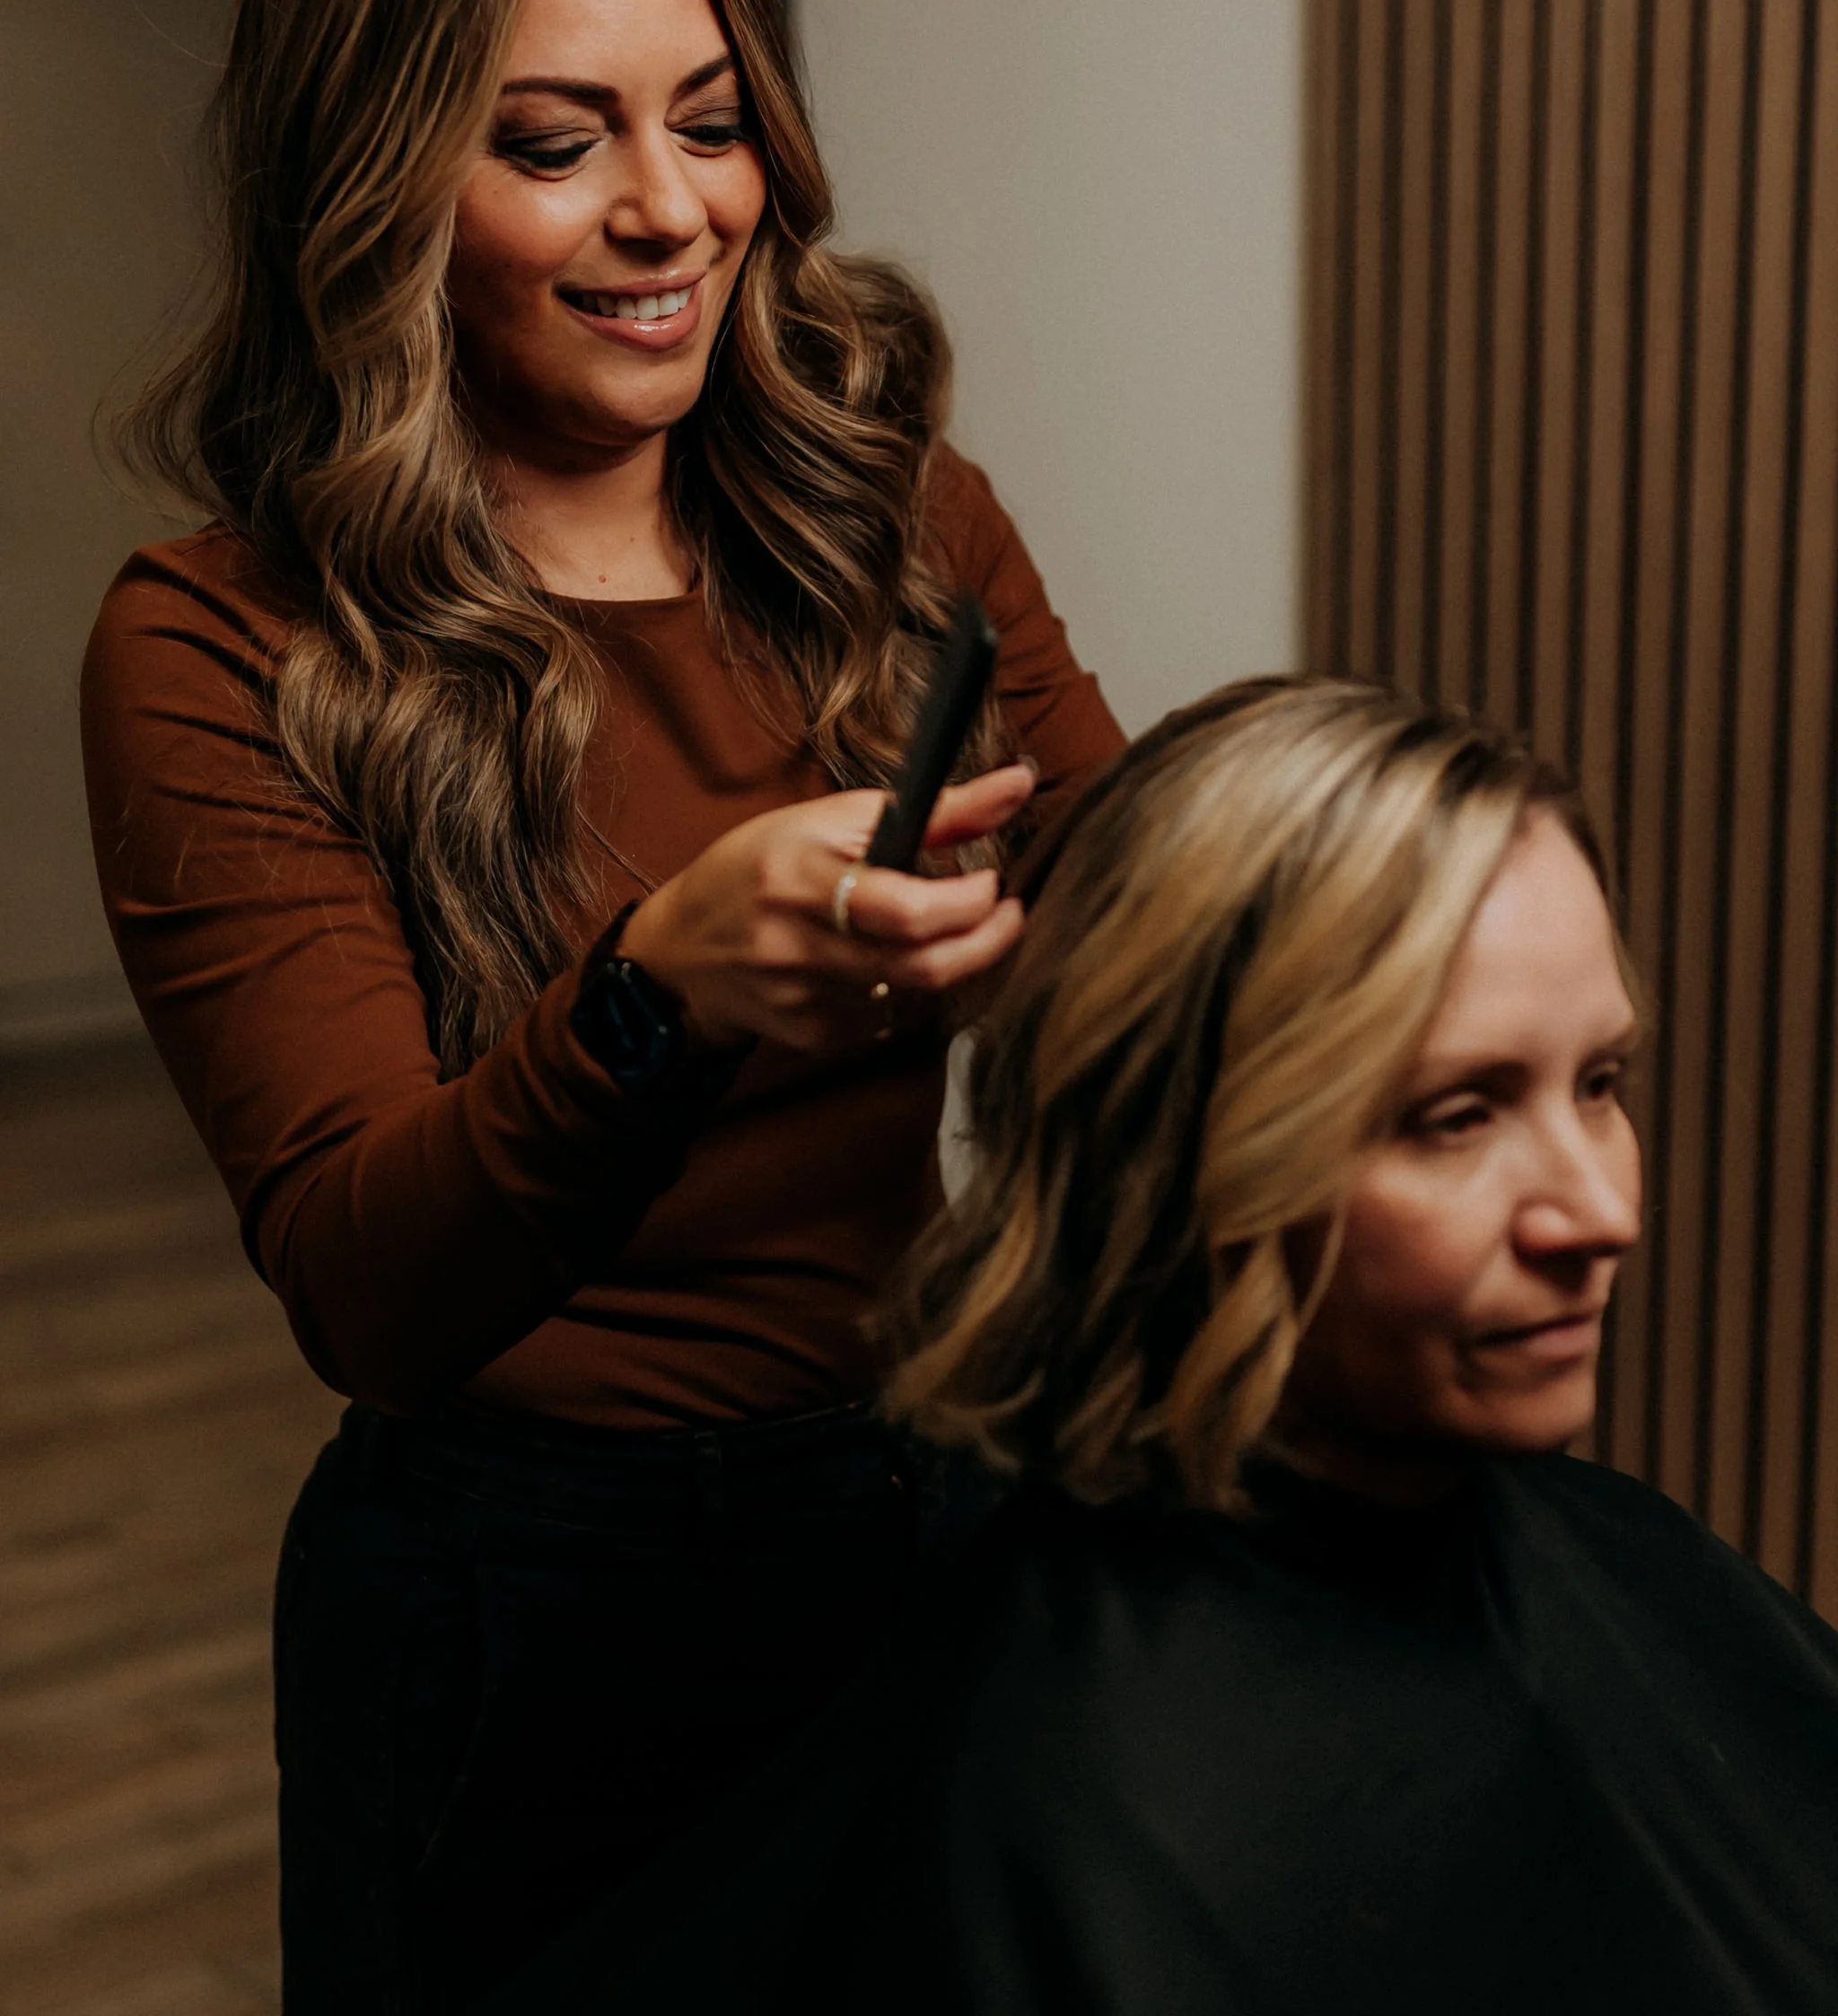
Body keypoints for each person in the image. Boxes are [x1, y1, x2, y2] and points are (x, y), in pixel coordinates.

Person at [79, 0, 1123, 2012]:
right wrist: (659, 990)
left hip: (909, 1521)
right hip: (512, 1636)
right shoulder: (216, 642)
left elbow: (1141, 917)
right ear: (371, 178)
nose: (670, 209)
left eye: (713, 119)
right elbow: (373, 1280)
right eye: (555, 145)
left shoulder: (896, 523)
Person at [506, 676, 1838, 2015]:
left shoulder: (1628, 1570)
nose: (1603, 1212)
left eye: (1599, 1085)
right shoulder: (1070, 1809)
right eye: (1457, 1116)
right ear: (1185, 1155)